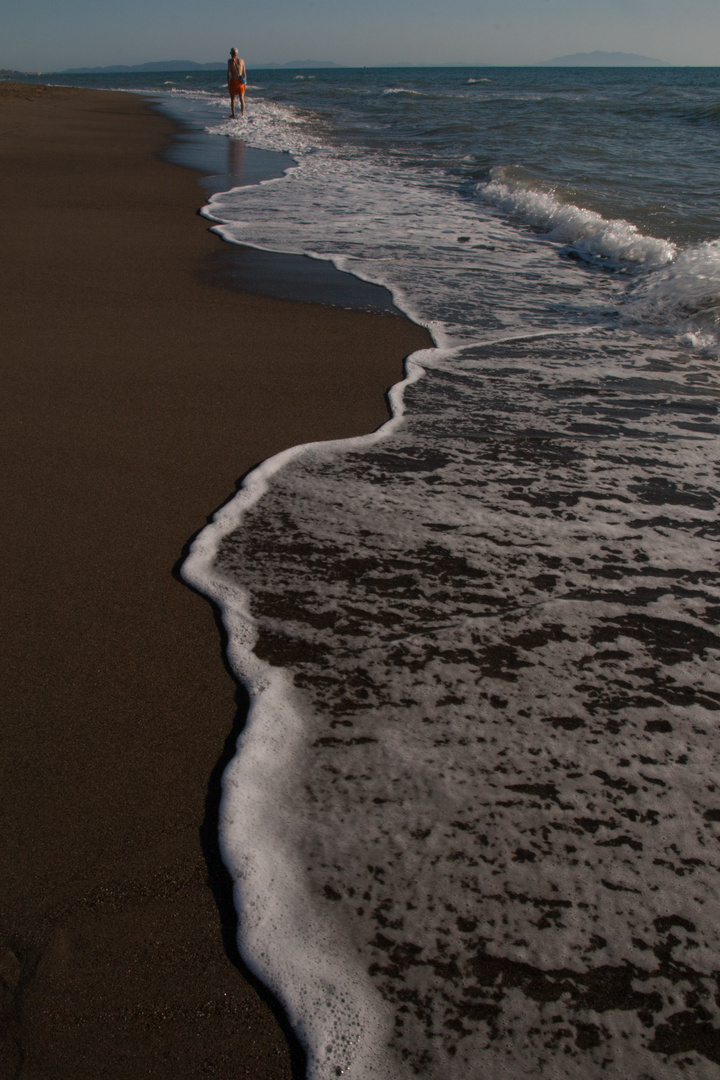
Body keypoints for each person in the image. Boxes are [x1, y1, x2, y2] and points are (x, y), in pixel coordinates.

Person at [227, 47, 247, 118]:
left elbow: (229, 73)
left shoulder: (230, 61)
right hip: (241, 82)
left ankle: (233, 114)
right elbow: (244, 73)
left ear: (231, 54)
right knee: (242, 98)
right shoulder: (242, 61)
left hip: (233, 81)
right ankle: (242, 114)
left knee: (233, 99)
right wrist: (244, 83)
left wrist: (228, 83)